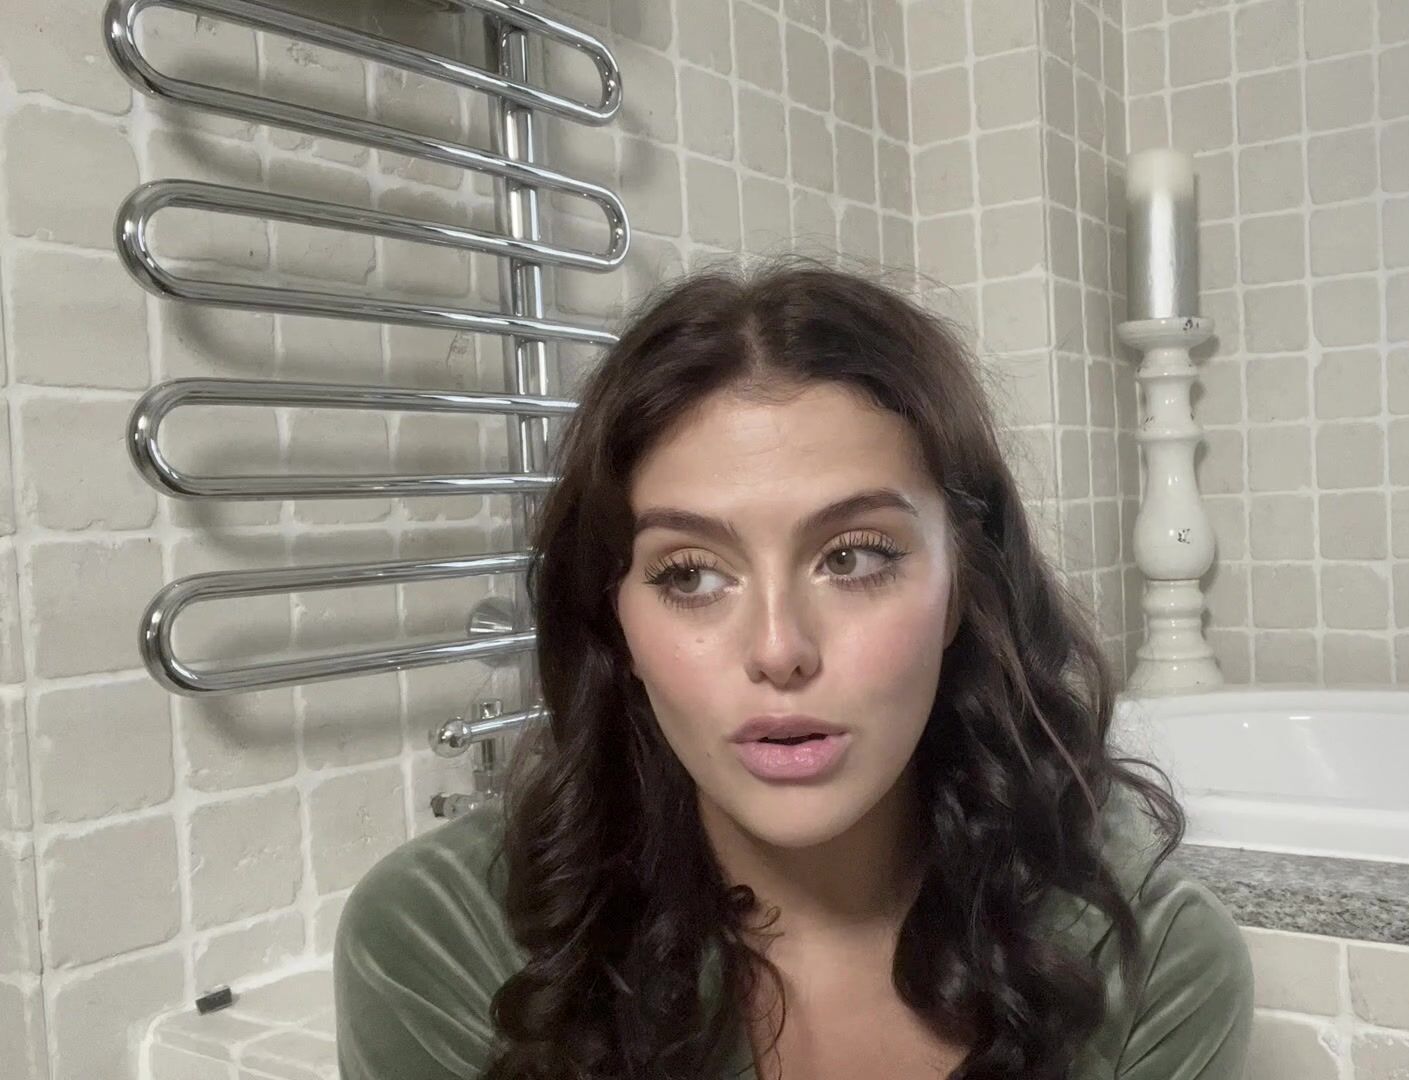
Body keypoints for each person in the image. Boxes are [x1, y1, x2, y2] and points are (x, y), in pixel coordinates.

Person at [332, 255, 1254, 1080]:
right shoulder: (448, 939)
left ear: (962, 591)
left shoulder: (1150, 968)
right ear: (616, 624)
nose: (778, 650)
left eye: (853, 557)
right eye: (690, 575)